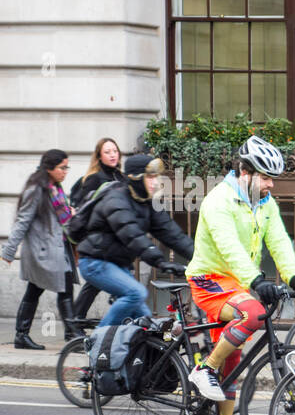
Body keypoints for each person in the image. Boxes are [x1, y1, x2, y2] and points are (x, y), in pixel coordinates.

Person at [185, 136, 295, 415]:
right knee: (255, 313)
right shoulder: (219, 201)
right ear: (245, 172)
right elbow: (229, 249)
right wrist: (257, 281)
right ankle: (202, 370)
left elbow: (280, 242)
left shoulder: (264, 203)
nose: (271, 184)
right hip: (209, 281)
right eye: (266, 177)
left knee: (232, 361)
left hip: (237, 284)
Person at [74, 153, 193, 329]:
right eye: (150, 177)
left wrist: (200, 257)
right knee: (136, 293)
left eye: (156, 177)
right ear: (136, 178)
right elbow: (132, 235)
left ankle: (133, 356)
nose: (156, 182)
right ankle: (99, 343)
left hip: (118, 265)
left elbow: (172, 234)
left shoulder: (146, 202)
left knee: (146, 324)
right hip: (95, 262)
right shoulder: (116, 199)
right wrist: (160, 262)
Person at [3, 150, 80, 348]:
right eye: (62, 167)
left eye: (66, 167)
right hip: (43, 250)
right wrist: (8, 251)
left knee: (46, 289)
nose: (65, 171)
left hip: (58, 247)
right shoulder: (37, 189)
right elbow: (22, 221)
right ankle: (71, 334)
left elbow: (60, 218)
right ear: (49, 168)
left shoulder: (55, 187)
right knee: (59, 288)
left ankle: (23, 335)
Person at [69, 138, 128, 323]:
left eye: (115, 151)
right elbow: (87, 210)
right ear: (99, 156)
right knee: (114, 283)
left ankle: (77, 320)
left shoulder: (120, 177)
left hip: (116, 240)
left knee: (99, 283)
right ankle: (78, 321)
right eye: (107, 152)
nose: (112, 155)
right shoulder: (94, 179)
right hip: (99, 240)